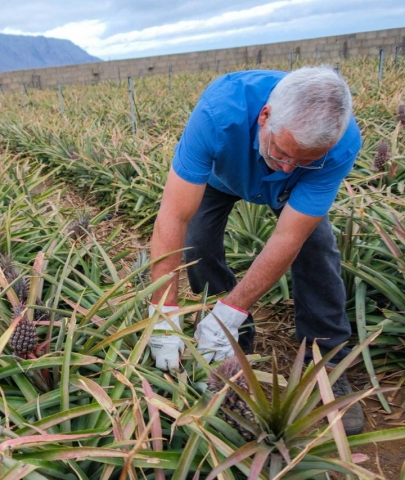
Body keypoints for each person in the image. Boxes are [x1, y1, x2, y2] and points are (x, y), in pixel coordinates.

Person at [147, 65, 364, 435]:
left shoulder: (339, 145)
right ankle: (227, 343)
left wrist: (232, 309)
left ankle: (328, 361)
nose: (286, 165)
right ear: (265, 117)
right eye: (281, 151)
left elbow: (287, 239)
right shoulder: (218, 112)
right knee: (199, 243)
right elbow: (173, 216)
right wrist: (163, 315)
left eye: (303, 159)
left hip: (293, 192)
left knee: (317, 249)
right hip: (222, 177)